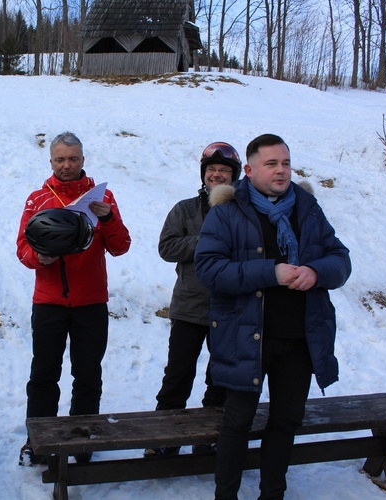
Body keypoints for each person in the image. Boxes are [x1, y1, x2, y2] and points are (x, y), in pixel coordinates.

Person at [194, 134, 351, 499]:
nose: (281, 171)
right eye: (271, 164)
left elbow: (340, 259)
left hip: (300, 338)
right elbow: (209, 270)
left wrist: (316, 271)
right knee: (237, 422)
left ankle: (272, 494)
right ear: (248, 170)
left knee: (285, 422)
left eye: (286, 163)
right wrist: (272, 271)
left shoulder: (307, 208)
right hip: (245, 335)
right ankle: (226, 495)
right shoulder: (227, 211)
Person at [16, 132, 131, 465]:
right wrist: (41, 258)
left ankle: (82, 441)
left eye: (73, 159)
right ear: (50, 161)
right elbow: (22, 248)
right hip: (49, 302)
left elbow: (121, 246)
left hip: (90, 303)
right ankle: (37, 441)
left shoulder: (102, 197)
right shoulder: (38, 198)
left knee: (88, 375)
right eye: (60, 159)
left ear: (83, 159)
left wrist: (108, 218)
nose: (67, 165)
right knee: (43, 376)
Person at [144, 142, 240, 458]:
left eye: (223, 170)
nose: (216, 174)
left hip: (232, 307)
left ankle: (210, 437)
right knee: (178, 374)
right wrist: (206, 242)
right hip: (189, 305)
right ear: (203, 174)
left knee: (221, 376)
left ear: (234, 175)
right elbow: (166, 248)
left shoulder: (246, 210)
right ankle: (164, 438)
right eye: (211, 170)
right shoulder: (184, 209)